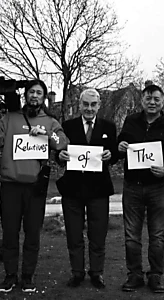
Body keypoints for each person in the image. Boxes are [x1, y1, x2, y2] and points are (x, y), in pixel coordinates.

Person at [0, 79, 68, 294]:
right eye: (31, 92)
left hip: (35, 188)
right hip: (10, 186)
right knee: (10, 234)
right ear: (26, 95)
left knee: (32, 234)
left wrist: (44, 134)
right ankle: (10, 275)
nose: (34, 96)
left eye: (39, 93)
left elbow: (61, 142)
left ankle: (28, 277)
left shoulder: (49, 121)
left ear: (43, 97)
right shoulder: (10, 116)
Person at [117, 84, 164, 293]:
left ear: (163, 102)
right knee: (131, 234)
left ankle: (155, 275)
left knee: (157, 235)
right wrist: (120, 147)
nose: (152, 102)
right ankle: (134, 275)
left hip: (157, 187)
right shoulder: (131, 121)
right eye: (148, 98)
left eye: (156, 99)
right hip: (132, 186)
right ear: (142, 100)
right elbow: (122, 144)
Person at [56, 88, 119, 289]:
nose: (89, 108)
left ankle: (96, 273)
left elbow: (115, 153)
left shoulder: (109, 126)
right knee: (74, 234)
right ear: (80, 105)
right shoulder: (68, 126)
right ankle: (77, 272)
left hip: (99, 189)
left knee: (98, 234)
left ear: (99, 105)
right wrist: (61, 156)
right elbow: (59, 153)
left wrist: (112, 155)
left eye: (93, 105)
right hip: (73, 188)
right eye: (86, 104)